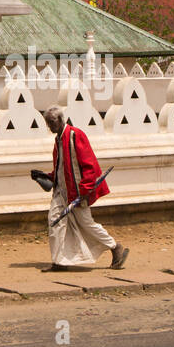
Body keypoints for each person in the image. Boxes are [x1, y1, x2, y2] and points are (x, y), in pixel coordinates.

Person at [42, 106, 128, 271]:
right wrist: (46, 176)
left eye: (52, 122)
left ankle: (115, 247)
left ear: (60, 120)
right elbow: (61, 168)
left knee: (87, 224)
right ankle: (59, 262)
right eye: (48, 123)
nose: (50, 126)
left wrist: (84, 191)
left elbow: (89, 166)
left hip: (77, 192)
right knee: (54, 223)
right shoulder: (58, 140)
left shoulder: (75, 135)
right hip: (61, 192)